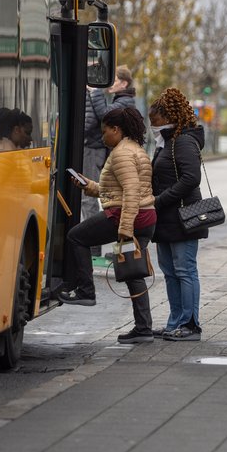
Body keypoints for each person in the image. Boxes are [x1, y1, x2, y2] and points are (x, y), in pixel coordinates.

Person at [60, 106, 156, 344]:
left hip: (126, 216)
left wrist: (124, 229)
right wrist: (88, 186)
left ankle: (85, 290)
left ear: (116, 129)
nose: (102, 137)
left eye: (105, 132)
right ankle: (143, 328)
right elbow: (116, 190)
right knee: (134, 273)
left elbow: (131, 191)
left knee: (76, 237)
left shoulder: (122, 153)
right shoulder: (135, 149)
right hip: (145, 217)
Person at [148, 88, 207, 341]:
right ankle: (175, 322)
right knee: (171, 272)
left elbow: (191, 178)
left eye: (154, 121)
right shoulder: (167, 141)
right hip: (166, 217)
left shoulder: (182, 141)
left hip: (183, 216)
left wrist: (160, 199)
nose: (151, 126)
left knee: (184, 270)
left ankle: (190, 325)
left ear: (167, 116)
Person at [81, 66, 136, 256]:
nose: (109, 83)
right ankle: (124, 252)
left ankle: (117, 252)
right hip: (111, 154)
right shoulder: (122, 100)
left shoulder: (123, 102)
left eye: (113, 79)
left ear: (124, 83)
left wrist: (95, 92)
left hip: (106, 153)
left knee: (103, 201)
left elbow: (105, 114)